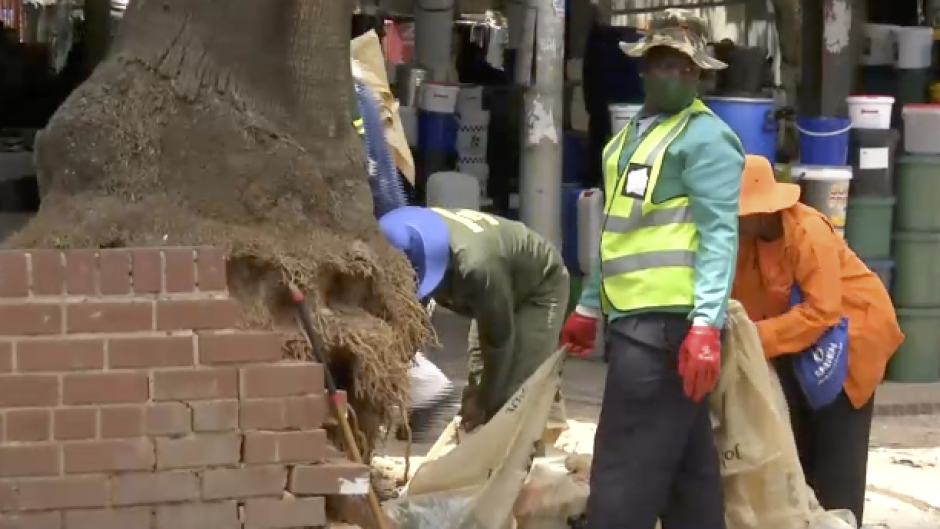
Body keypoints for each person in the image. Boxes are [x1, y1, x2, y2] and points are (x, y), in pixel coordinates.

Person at [559, 9, 745, 528]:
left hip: (668, 329)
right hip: (637, 324)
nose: (672, 75)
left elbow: (718, 236)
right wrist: (588, 304)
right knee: (689, 473)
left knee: (624, 469)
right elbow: (617, 230)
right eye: (663, 63)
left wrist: (706, 324)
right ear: (643, 68)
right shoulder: (627, 141)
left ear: (699, 75)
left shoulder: (707, 141)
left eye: (685, 68)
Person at [732, 155, 904, 524]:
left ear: (762, 211)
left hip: (852, 337)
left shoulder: (807, 230)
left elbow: (822, 312)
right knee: (795, 449)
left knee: (838, 453)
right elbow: (740, 305)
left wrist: (750, 338)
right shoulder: (745, 242)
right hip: (797, 344)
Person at [379, 206, 570, 441]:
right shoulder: (409, 236)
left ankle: (520, 460)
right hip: (500, 279)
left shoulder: (476, 268)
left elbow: (498, 340)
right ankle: (542, 412)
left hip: (538, 286)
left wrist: (484, 401)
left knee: (512, 394)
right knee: (480, 376)